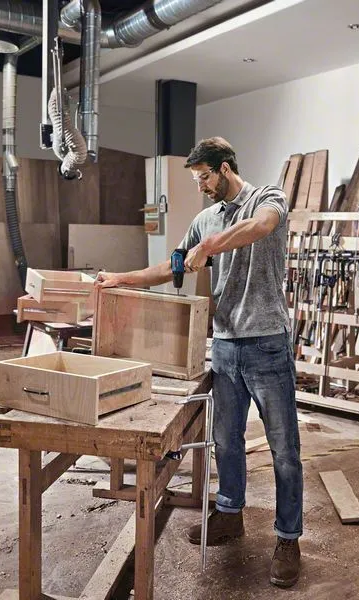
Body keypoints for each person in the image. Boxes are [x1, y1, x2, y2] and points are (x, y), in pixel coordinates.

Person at [95, 137, 303, 588]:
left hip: (267, 342)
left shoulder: (267, 197)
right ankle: (229, 512)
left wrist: (210, 246)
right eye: (196, 180)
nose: (201, 187)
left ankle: (288, 538)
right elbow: (172, 266)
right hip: (225, 346)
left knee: (284, 450)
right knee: (225, 441)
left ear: (225, 168)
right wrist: (122, 278)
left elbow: (262, 227)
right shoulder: (204, 218)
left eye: (204, 177)